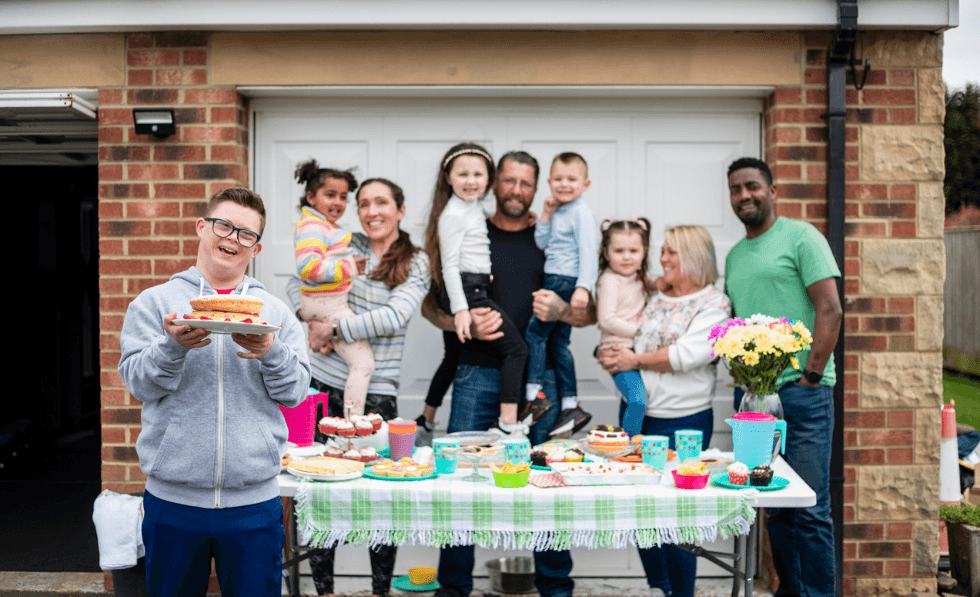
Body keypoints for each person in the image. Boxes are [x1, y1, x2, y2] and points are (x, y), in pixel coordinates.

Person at [118, 187, 311, 597]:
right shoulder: (154, 304)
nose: (232, 239)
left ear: (255, 248)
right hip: (172, 502)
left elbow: (295, 392)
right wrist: (173, 347)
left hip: (254, 504)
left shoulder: (274, 313)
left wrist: (269, 352)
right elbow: (138, 384)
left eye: (246, 234)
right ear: (202, 227)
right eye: (224, 225)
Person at [423, 150, 596, 597]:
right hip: (476, 375)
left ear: (535, 189)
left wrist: (565, 310)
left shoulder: (549, 237)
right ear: (495, 182)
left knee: (549, 486)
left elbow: (587, 311)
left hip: (543, 385)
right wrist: (458, 322)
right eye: (510, 181)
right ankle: (453, 587)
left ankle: (556, 587)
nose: (516, 190)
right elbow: (432, 302)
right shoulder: (472, 227)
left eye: (526, 183)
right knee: (459, 484)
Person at [286, 176, 430, 597]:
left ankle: (380, 591)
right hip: (324, 386)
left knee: (382, 496)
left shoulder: (417, 261)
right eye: (363, 203)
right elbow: (298, 280)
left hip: (379, 391)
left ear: (400, 210)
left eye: (382, 202)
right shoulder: (344, 244)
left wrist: (334, 327)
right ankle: (325, 591)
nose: (371, 211)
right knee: (320, 493)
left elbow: (395, 317)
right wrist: (308, 315)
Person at [724, 157, 842, 597]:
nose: (744, 196)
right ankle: (790, 591)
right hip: (755, 401)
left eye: (752, 186)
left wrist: (810, 375)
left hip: (803, 395)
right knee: (774, 506)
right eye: (736, 190)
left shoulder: (801, 238)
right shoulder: (736, 256)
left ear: (772, 191)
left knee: (810, 507)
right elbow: (738, 326)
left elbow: (830, 308)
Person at [598, 224, 731, 597]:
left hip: (684, 422)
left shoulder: (714, 304)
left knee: (678, 515)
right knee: (641, 511)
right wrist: (607, 354)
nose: (662, 258)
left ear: (693, 257)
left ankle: (682, 592)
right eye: (663, 250)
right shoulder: (656, 296)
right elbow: (621, 339)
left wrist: (634, 359)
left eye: (672, 252)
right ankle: (660, 586)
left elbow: (686, 356)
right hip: (641, 417)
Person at [423, 142, 529, 436]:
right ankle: (508, 425)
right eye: (463, 174)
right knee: (517, 349)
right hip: (469, 291)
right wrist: (461, 310)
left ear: (489, 180)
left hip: (478, 286)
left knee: (452, 356)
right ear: (447, 177)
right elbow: (449, 266)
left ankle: (426, 419)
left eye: (478, 174)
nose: (471, 181)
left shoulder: (472, 208)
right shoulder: (453, 215)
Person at [524, 152, 599, 437]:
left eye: (572, 179)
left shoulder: (581, 212)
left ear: (585, 184)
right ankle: (569, 403)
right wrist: (544, 215)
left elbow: (588, 252)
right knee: (558, 345)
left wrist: (583, 286)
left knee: (535, 334)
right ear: (549, 181)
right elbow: (542, 242)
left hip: (564, 281)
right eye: (558, 179)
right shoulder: (558, 211)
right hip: (553, 276)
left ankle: (535, 397)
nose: (564, 185)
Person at [293, 159, 373, 417]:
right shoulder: (313, 226)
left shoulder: (322, 225)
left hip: (328, 305)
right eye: (330, 195)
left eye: (343, 196)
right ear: (311, 197)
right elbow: (308, 267)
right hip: (329, 306)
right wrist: (350, 267)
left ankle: (326, 342)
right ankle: (354, 424)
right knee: (363, 363)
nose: (338, 202)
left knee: (339, 351)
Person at [596, 217, 653, 437]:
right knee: (638, 401)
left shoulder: (640, 278)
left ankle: (626, 442)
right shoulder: (610, 280)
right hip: (618, 352)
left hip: (636, 351)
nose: (627, 257)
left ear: (644, 251)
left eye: (633, 250)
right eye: (619, 251)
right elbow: (606, 320)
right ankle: (627, 445)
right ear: (606, 252)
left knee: (631, 399)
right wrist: (640, 331)